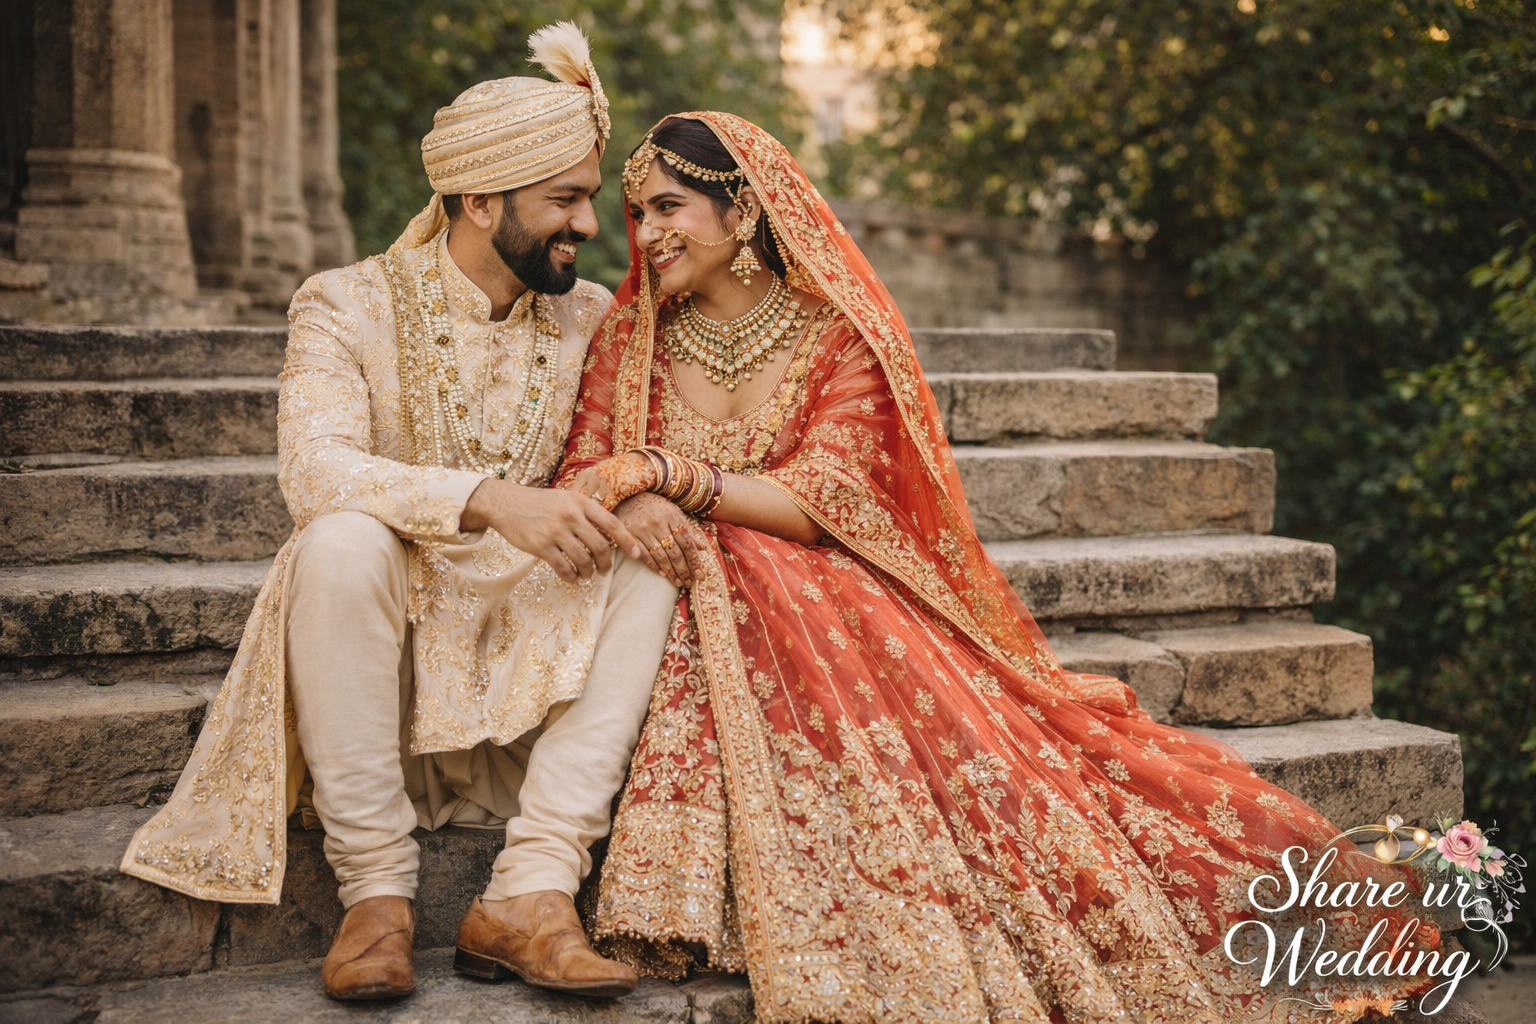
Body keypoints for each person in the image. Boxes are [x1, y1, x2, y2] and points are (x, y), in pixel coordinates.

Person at [556, 112, 1446, 1023]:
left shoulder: (839, 336)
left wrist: (669, 477)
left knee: (754, 570)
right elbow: (584, 464)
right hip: (667, 590)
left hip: (826, 600)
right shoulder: (631, 340)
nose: (646, 232)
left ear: (743, 209)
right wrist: (638, 498)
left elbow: (827, 500)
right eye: (639, 211)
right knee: (708, 569)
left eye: (669, 206)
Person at [120, 24, 677, 1002]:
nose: (589, 224)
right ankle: (376, 898)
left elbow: (639, 442)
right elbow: (314, 470)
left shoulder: (592, 314)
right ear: (478, 200)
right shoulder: (344, 304)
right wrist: (489, 501)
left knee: (647, 555)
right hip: (386, 650)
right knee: (337, 539)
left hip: (523, 652)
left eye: (588, 197)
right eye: (563, 199)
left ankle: (533, 889)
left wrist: (642, 487)